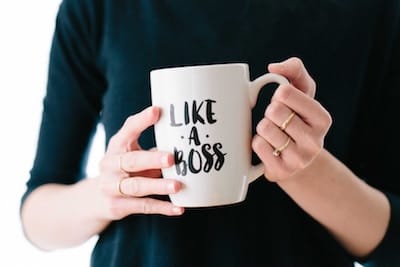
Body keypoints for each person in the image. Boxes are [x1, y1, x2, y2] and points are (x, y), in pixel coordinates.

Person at [20, 0, 400, 266]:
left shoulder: (369, 10)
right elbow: (36, 216)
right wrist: (108, 193)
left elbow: (393, 243)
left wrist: (306, 170)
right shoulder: (98, 7)